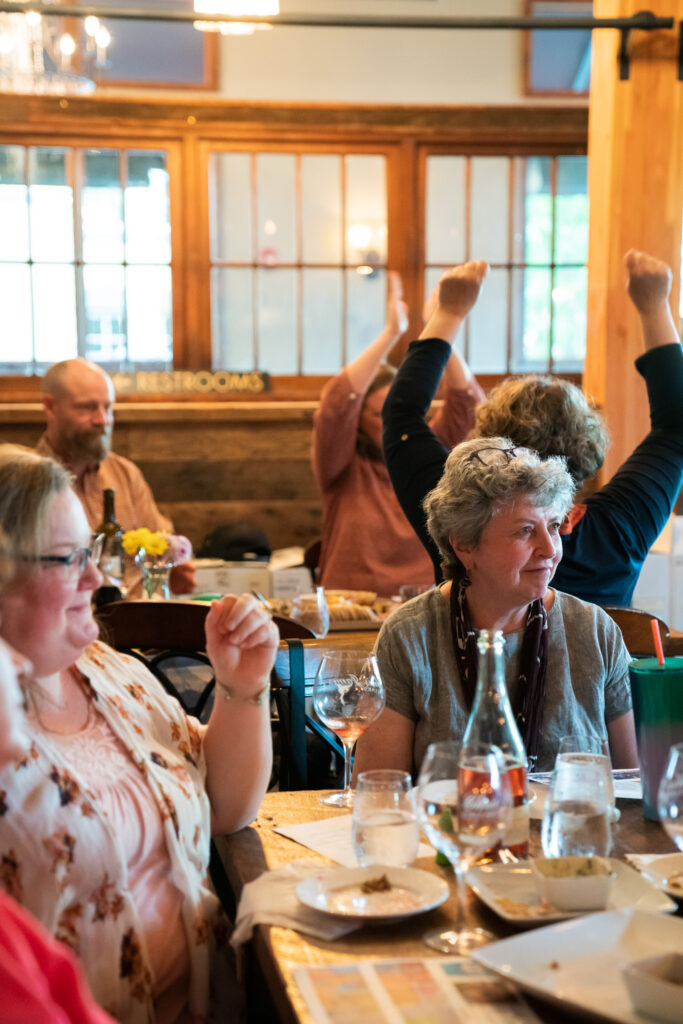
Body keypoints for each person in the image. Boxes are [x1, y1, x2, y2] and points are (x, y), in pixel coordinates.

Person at [0, 444, 277, 1023]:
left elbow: (225, 809)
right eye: (68, 558)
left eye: (91, 552)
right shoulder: (7, 729)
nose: (97, 577)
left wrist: (241, 687)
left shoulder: (113, 672)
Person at [382, 251, 683, 607]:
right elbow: (675, 428)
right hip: (603, 667)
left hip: (476, 664)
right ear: (587, 445)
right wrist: (655, 307)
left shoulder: (464, 518)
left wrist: (448, 313)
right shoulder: (620, 526)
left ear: (489, 439)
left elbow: (401, 414)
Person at [354, 438, 638, 777]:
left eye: (552, 527)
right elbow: (381, 792)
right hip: (452, 828)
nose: (550, 549)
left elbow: (633, 786)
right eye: (525, 531)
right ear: (464, 545)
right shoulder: (410, 636)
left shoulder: (595, 631)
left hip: (569, 828)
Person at [311, 272, 483, 596]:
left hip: (426, 601)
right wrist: (391, 334)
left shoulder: (428, 455)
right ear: (358, 420)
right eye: (379, 415)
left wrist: (442, 322)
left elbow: (470, 407)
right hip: (348, 606)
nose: (392, 425)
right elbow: (337, 403)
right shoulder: (342, 466)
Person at [36, 358, 195, 594]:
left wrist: (176, 568)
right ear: (50, 407)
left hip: (137, 620)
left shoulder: (125, 475)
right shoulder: (27, 482)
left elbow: (163, 548)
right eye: (87, 407)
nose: (103, 420)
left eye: (108, 407)